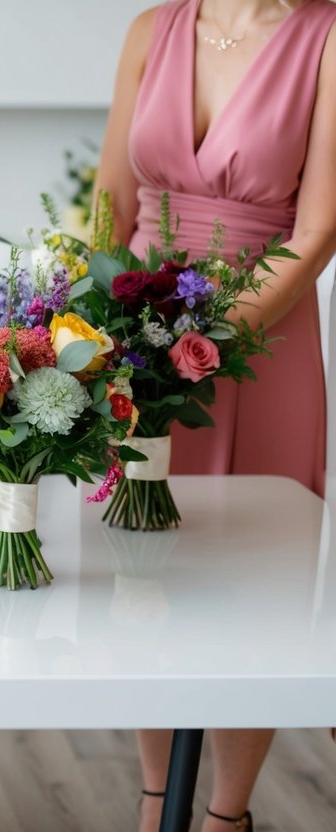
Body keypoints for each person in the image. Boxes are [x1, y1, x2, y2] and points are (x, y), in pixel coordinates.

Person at [95, 0, 336, 829]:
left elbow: (317, 232)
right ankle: (155, 799)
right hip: (137, 331)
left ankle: (225, 816)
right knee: (141, 558)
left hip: (260, 341)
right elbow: (107, 204)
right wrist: (83, 325)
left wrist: (205, 346)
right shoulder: (149, 29)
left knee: (255, 578)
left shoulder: (329, 36)